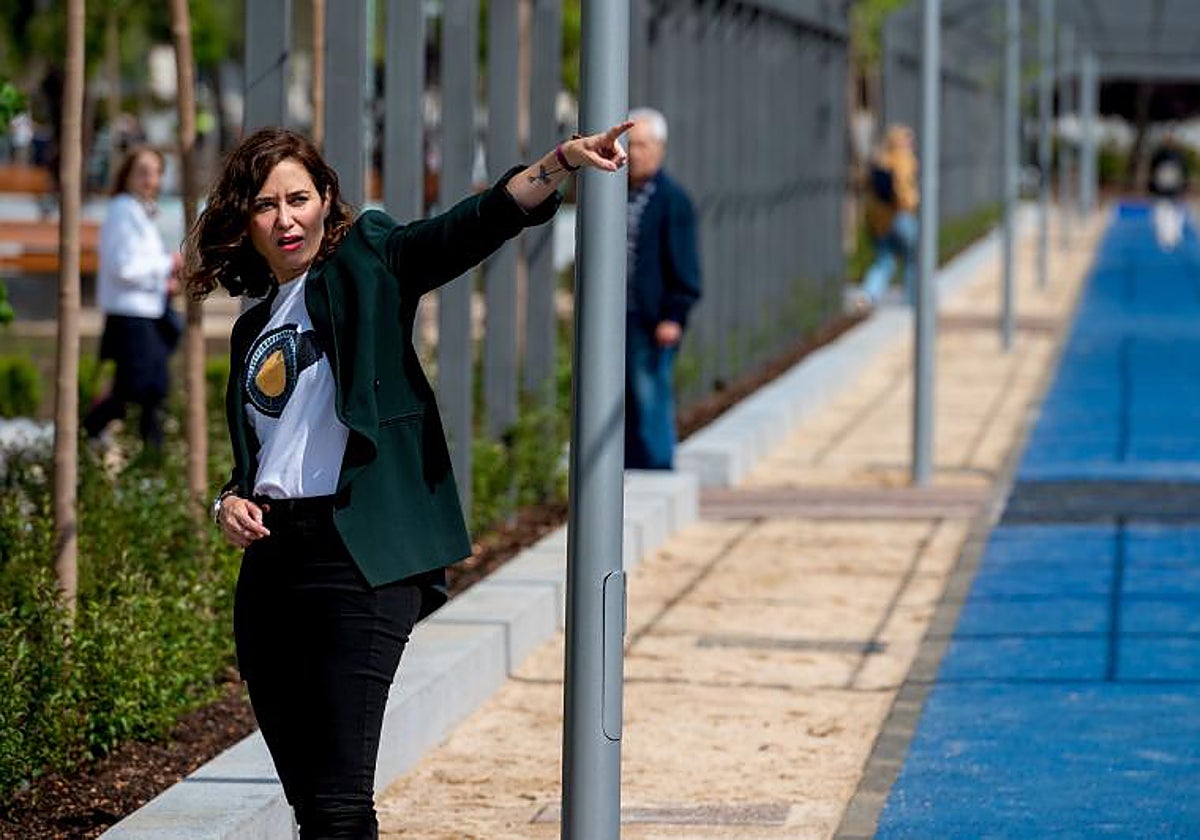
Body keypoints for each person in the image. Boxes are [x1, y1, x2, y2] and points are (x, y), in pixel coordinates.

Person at [185, 123, 631, 839]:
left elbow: (468, 227)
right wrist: (228, 500)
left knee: (338, 803)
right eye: (266, 205)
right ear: (246, 220)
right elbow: (261, 457)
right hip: (271, 568)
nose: (285, 218)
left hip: (354, 556)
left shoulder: (369, 257)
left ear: (327, 199)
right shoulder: (254, 327)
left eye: (298, 198)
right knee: (310, 801)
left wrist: (556, 165)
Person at [84, 146, 182, 450]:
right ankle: (86, 434)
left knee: (148, 392)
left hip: (145, 311)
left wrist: (163, 281)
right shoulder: (123, 210)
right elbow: (124, 267)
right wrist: (168, 264)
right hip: (132, 315)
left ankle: (148, 457)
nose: (150, 179)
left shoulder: (139, 211)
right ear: (127, 174)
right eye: (143, 172)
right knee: (138, 392)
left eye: (155, 173)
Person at [623, 107, 701, 470]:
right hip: (619, 315)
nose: (634, 153)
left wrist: (674, 314)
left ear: (659, 148)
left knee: (649, 393)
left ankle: (656, 467)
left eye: (641, 145)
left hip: (652, 318)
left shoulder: (672, 201)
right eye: (629, 144)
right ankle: (627, 467)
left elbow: (684, 265)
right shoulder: (617, 196)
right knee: (621, 397)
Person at [858, 124, 919, 308]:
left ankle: (869, 294)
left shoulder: (880, 160)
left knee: (884, 260)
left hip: (878, 221)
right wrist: (913, 200)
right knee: (913, 259)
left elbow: (866, 186)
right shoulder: (904, 160)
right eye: (908, 139)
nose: (911, 143)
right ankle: (910, 300)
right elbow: (903, 191)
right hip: (901, 217)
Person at [1149, 135, 1188, 251]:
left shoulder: (1178, 156)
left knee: (1172, 213)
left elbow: (1183, 172)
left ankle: (1172, 237)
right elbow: (1153, 170)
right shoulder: (1159, 155)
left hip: (1173, 188)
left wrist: (1182, 186)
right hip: (1163, 188)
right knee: (1162, 212)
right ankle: (1164, 237)